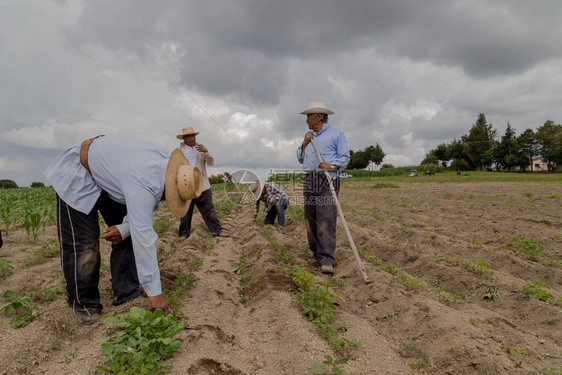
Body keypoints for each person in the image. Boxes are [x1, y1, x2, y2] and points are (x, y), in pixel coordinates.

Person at [44, 134, 202, 324]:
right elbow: (143, 238)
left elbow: (141, 209)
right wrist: (155, 295)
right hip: (79, 171)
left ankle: (126, 292)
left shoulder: (162, 168)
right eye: (170, 197)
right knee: (84, 245)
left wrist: (123, 229)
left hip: (113, 180)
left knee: (126, 237)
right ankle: (84, 303)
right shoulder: (144, 181)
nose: (166, 201)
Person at [296, 102, 350, 275]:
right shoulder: (309, 136)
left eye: (308, 117)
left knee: (325, 218)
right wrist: (305, 142)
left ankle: (327, 258)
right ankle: (315, 253)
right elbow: (299, 157)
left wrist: (331, 165)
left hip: (327, 179)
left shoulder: (336, 134)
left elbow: (344, 157)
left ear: (318, 117)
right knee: (310, 217)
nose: (306, 121)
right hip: (309, 179)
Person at [176, 127, 228, 238]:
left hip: (202, 185)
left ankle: (217, 231)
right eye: (189, 136)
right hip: (186, 186)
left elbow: (211, 162)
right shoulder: (179, 151)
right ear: (184, 138)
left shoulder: (200, 149)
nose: (192, 138)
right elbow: (175, 168)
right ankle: (183, 234)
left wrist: (206, 151)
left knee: (209, 210)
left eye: (193, 136)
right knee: (185, 212)